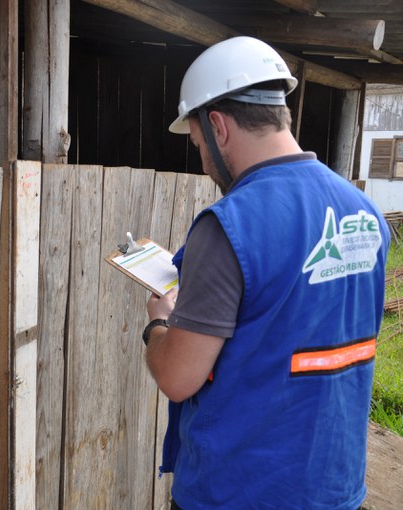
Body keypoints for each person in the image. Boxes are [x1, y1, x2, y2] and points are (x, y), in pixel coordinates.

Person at [143, 36, 390, 510]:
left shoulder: (229, 225)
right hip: (335, 488)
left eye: (197, 144)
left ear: (217, 125)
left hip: (239, 491)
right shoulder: (366, 213)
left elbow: (178, 377)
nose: (203, 159)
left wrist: (158, 325)